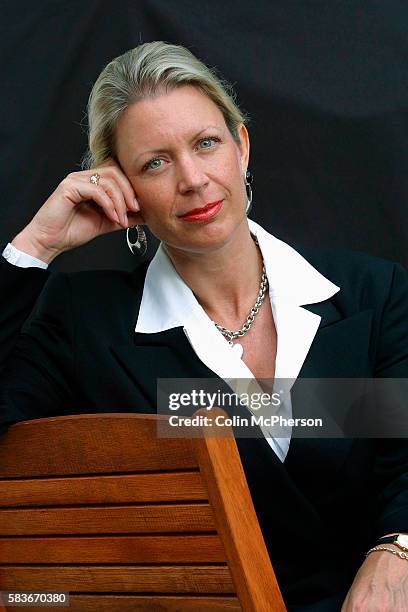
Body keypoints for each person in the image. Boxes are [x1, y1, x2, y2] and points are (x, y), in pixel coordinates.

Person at [1, 41, 408, 611]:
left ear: (241, 147)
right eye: (155, 163)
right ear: (120, 186)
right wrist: (33, 247)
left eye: (206, 143)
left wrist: (398, 548)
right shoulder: (85, 323)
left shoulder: (374, 294)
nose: (192, 179)